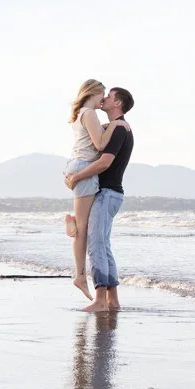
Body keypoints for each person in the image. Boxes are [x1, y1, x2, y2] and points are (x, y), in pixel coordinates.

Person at [65, 87, 134, 313]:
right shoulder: (117, 127)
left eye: (109, 96)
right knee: (103, 245)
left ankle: (100, 300)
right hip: (110, 194)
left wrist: (76, 177)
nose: (104, 98)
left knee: (95, 245)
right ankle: (112, 300)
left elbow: (104, 163)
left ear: (118, 103)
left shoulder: (119, 129)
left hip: (107, 194)